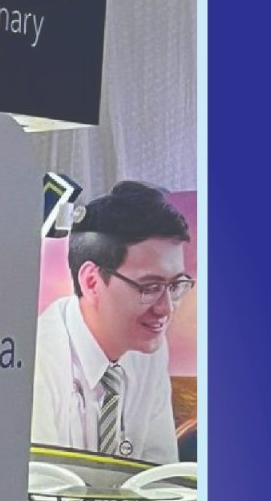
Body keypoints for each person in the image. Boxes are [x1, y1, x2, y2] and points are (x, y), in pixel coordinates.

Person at [33, 181, 192, 464]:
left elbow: (159, 476)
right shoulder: (39, 359)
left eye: (176, 285)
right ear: (92, 282)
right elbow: (41, 487)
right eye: (150, 287)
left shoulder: (148, 350)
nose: (166, 309)